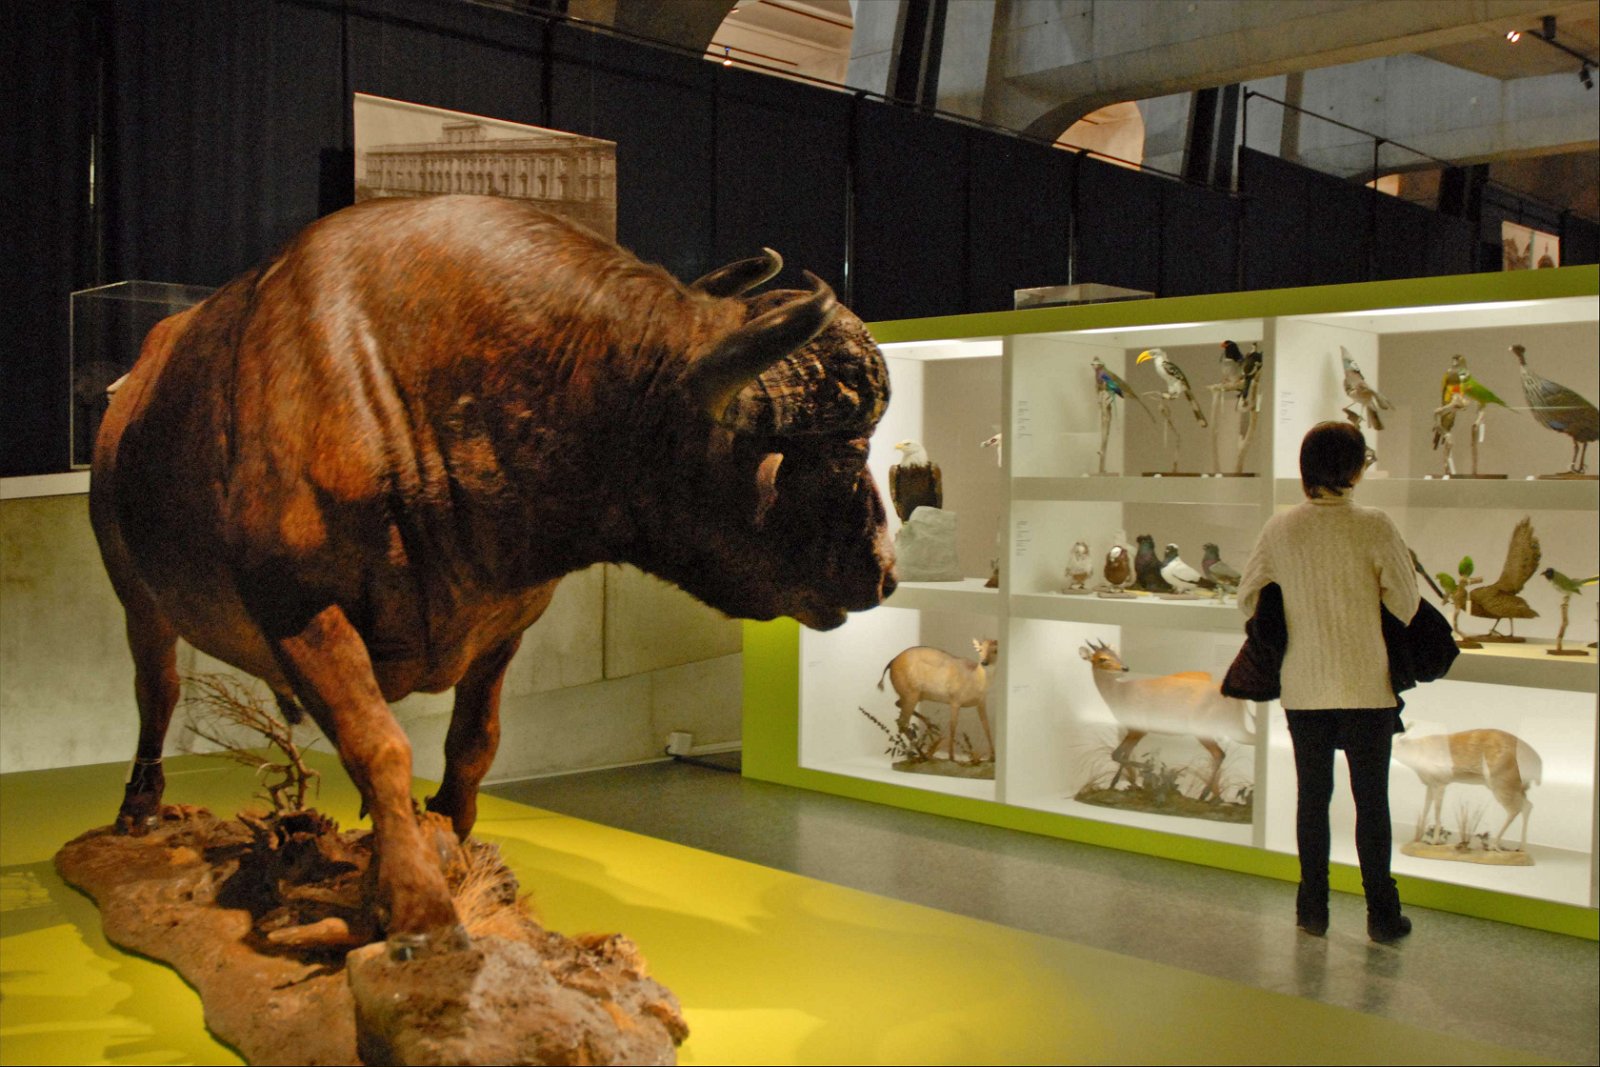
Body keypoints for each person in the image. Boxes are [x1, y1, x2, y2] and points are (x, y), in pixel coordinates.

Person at [1237, 421, 1420, 942]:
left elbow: (1248, 598)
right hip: (1367, 684)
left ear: (1305, 469)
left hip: (1304, 683)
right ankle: (1382, 916)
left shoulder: (1279, 529)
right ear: (1357, 469)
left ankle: (1312, 909)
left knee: (1312, 800)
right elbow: (1405, 604)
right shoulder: (1376, 525)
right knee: (1372, 801)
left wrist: (1295, 604)